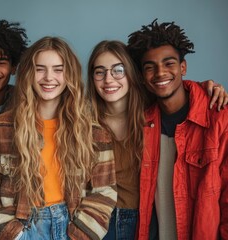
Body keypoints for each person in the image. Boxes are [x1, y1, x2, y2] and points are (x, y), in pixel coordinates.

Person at [0, 36, 117, 240]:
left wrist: (80, 235)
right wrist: (12, 234)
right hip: (21, 225)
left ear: (69, 75)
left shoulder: (93, 132)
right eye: (40, 69)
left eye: (58, 69)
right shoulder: (1, 128)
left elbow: (104, 192)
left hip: (73, 226)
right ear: (28, 74)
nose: (48, 77)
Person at [127, 19, 228, 239]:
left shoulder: (219, 118)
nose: (160, 72)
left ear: (183, 67)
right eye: (150, 67)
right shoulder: (142, 123)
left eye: (169, 63)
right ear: (143, 77)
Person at [86, 40, 146, 240]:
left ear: (131, 73)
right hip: (98, 221)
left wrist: (204, 89)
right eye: (100, 72)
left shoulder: (151, 117)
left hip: (146, 221)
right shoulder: (84, 122)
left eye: (118, 70)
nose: (108, 79)